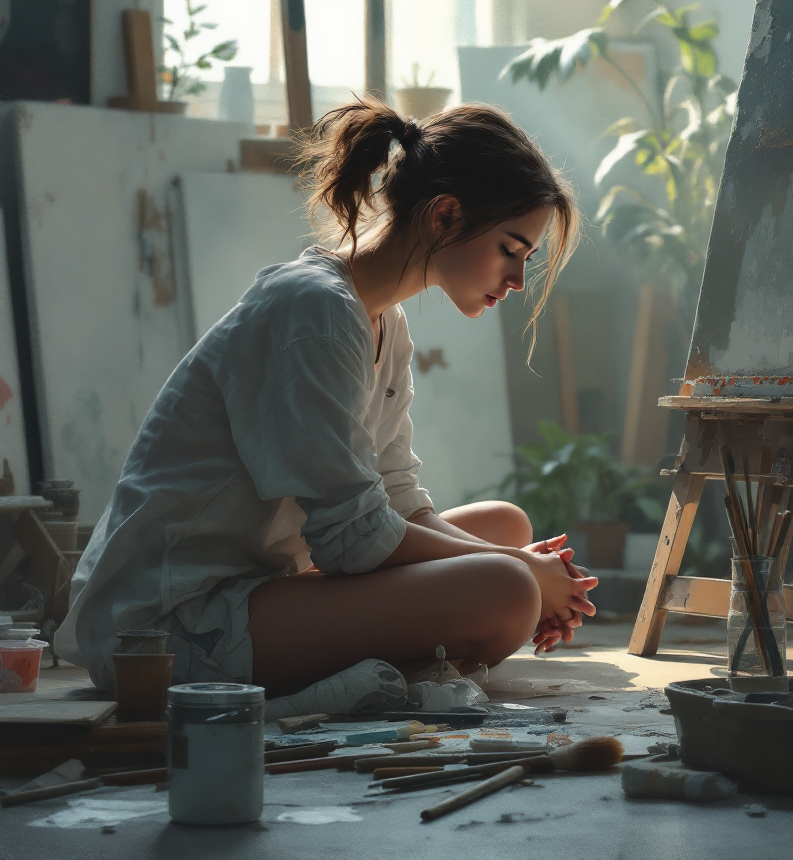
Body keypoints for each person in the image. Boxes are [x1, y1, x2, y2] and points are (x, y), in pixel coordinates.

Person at [55, 99, 597, 703]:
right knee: (507, 588)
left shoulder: (383, 323)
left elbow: (395, 500)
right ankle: (413, 661)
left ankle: (421, 649)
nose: (518, 280)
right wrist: (525, 573)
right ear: (445, 215)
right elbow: (353, 541)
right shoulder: (313, 310)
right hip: (169, 626)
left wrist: (519, 561)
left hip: (258, 584)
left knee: (506, 526)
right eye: (511, 249)